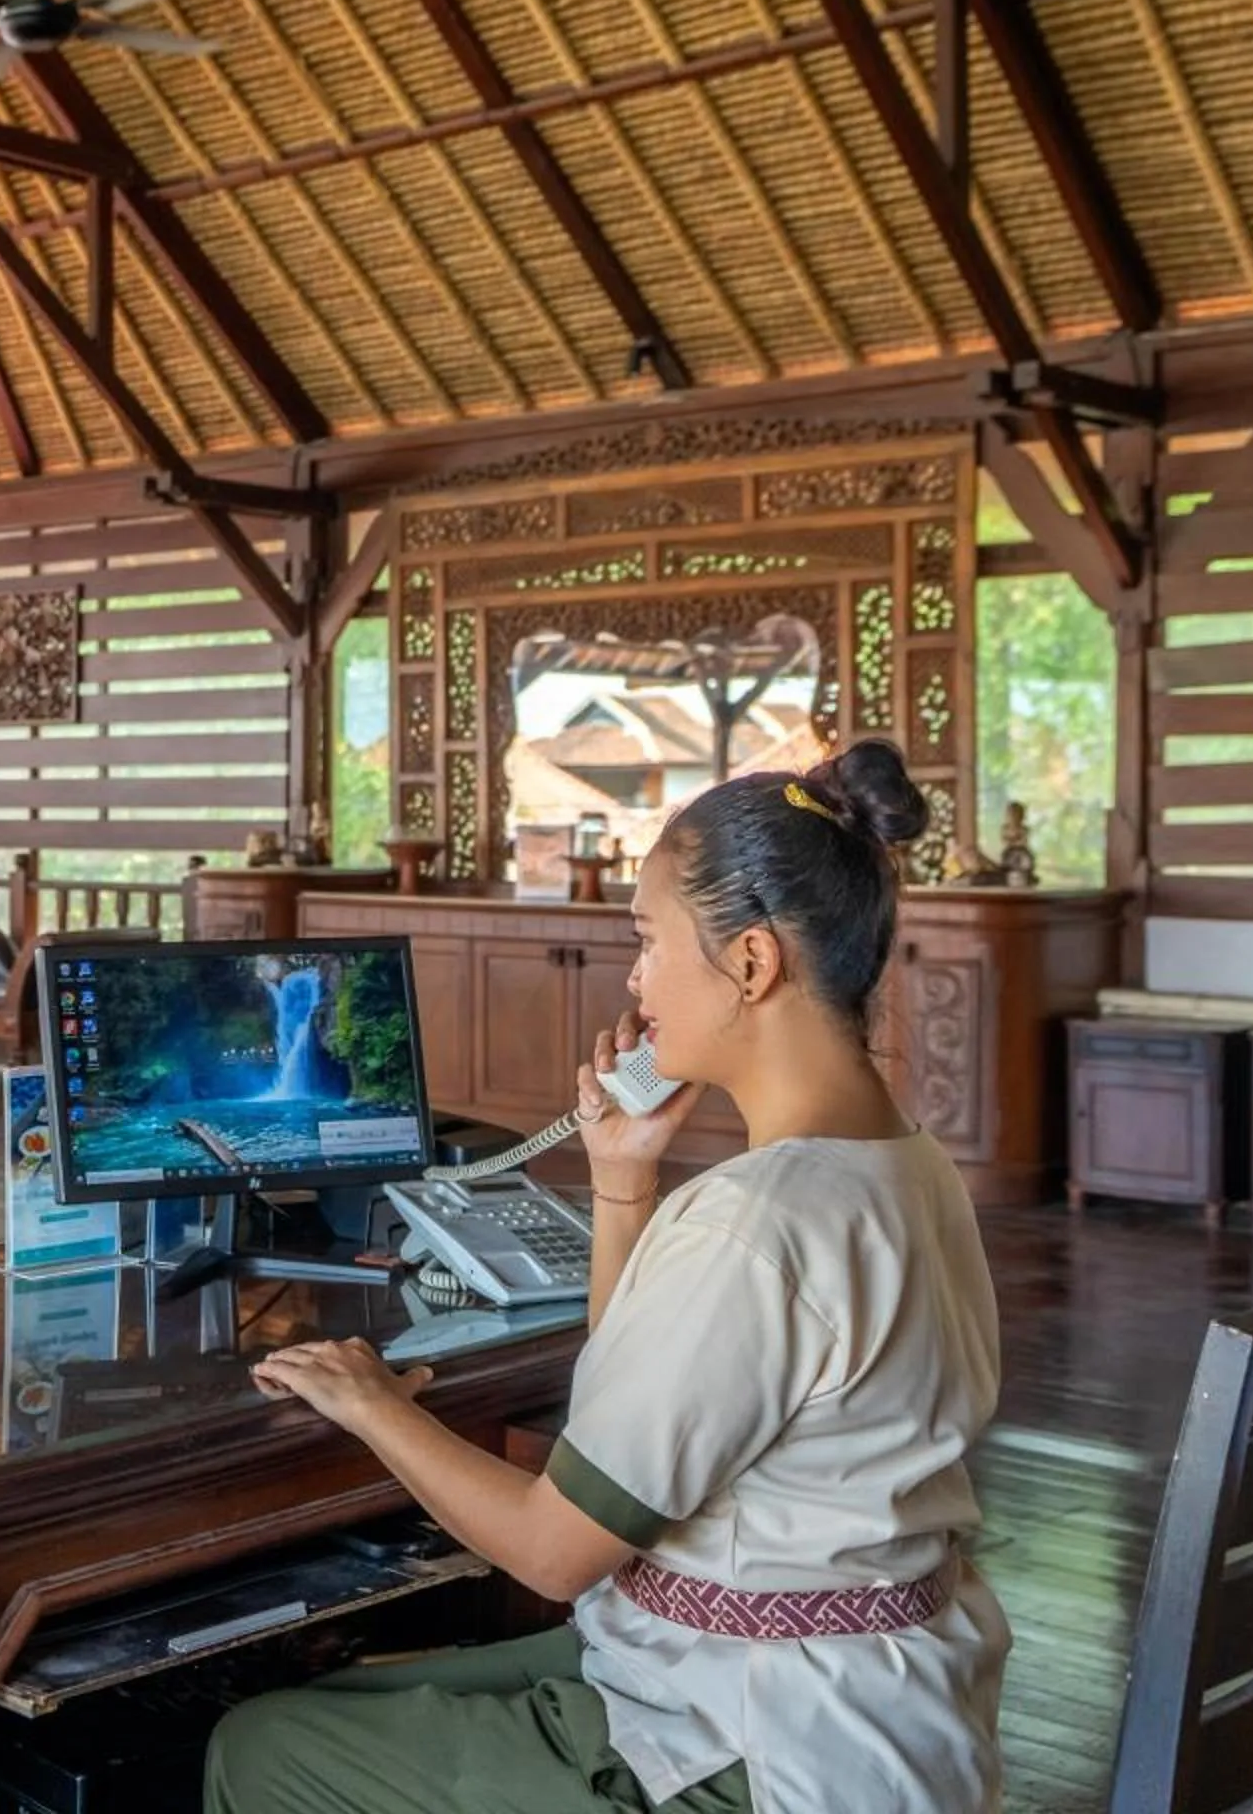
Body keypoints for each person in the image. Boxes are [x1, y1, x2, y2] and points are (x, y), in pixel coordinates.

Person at [212, 737, 1007, 1814]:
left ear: (754, 963)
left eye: (647, 940)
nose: (634, 978)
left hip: (767, 1752)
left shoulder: (752, 1220)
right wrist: (621, 1182)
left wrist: (371, 1405)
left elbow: (552, 1551)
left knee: (263, 1746)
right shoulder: (910, 1168)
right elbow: (636, 1407)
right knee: (364, 1689)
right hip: (887, 1714)